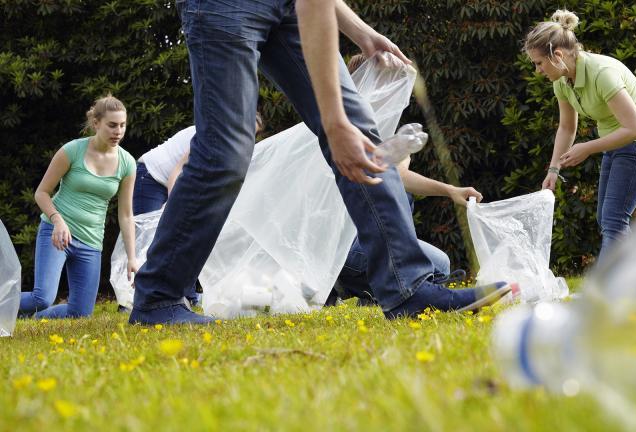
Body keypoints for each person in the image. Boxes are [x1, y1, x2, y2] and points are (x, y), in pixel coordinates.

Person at [128, 0, 512, 325]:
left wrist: (360, 32)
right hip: (223, 7)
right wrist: (334, 124)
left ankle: (407, 289)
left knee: (362, 134)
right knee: (225, 155)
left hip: (291, 6)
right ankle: (159, 297)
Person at [328, 54, 483, 306]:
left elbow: (400, 177)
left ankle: (369, 290)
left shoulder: (384, 127)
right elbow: (389, 174)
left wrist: (450, 190)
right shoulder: (344, 128)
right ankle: (347, 283)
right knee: (435, 265)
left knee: (439, 263)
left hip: (356, 239)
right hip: (341, 244)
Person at [525, 9, 636, 260]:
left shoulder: (602, 73)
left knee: (613, 219)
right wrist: (553, 169)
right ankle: (632, 277)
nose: (538, 71)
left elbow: (635, 128)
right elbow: (567, 127)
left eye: (538, 63)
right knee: (606, 217)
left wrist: (588, 147)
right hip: (616, 141)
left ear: (557, 55)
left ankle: (610, 291)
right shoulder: (562, 80)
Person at [19, 95, 137, 319]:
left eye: (122, 125)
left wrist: (132, 257)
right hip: (56, 233)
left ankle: (35, 318)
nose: (118, 131)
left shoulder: (127, 163)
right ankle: (31, 308)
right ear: (96, 123)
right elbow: (41, 193)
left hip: (91, 241)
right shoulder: (72, 151)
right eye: (112, 125)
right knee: (42, 297)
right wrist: (57, 220)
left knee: (80, 313)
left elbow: (126, 215)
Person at [129, 114, 264, 308]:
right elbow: (177, 172)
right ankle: (134, 298)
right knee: (149, 240)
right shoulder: (210, 133)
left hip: (172, 180)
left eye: (254, 133)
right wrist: (174, 207)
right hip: (151, 176)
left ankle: (188, 296)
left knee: (186, 236)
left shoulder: (232, 145)